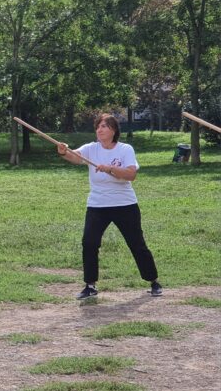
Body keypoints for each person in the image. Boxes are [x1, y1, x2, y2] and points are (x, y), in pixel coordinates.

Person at [57, 113, 162, 299]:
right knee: (89, 242)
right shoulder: (91, 148)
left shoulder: (125, 149)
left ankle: (153, 281)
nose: (99, 129)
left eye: (104, 126)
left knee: (137, 243)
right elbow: (75, 157)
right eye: (97, 126)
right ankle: (90, 285)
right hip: (97, 205)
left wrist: (110, 168)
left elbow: (131, 175)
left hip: (125, 204)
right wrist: (64, 151)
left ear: (113, 130)